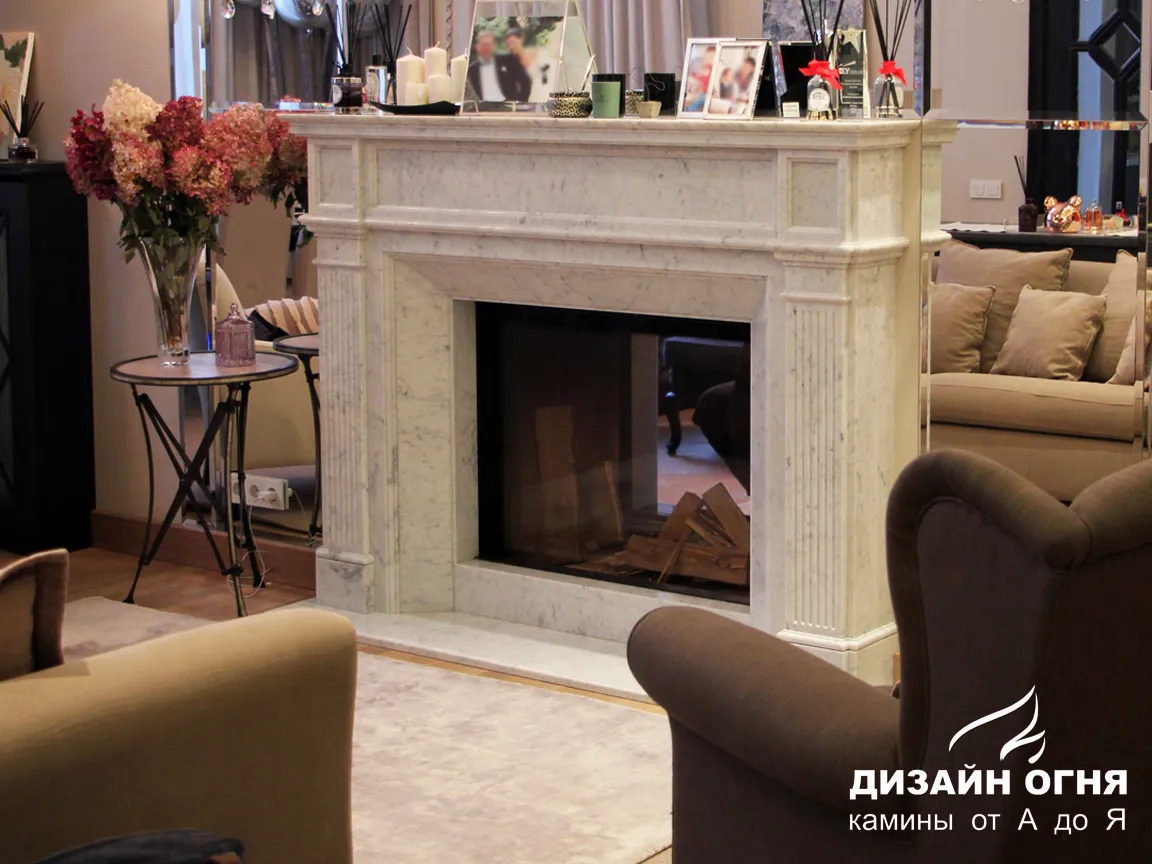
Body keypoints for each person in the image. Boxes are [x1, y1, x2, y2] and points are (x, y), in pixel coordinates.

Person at [467, 30, 531, 102]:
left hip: (509, 105)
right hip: (484, 107)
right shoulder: (471, 70)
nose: (486, 48)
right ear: (477, 47)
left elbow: (525, 81)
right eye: (484, 45)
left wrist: (521, 102)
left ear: (494, 46)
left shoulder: (508, 60)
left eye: (489, 44)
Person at [503, 28, 551, 102]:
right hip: (528, 102)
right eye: (508, 45)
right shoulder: (512, 64)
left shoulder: (539, 54)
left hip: (546, 96)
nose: (511, 46)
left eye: (513, 42)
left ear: (521, 39)